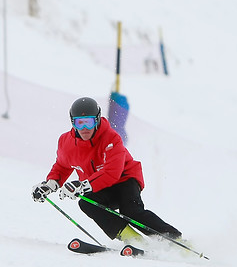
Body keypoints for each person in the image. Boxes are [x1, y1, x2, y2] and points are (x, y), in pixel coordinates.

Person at [31, 97, 182, 243]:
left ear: (96, 120)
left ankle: (175, 240)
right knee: (87, 203)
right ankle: (132, 239)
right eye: (79, 123)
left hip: (125, 179)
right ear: (72, 122)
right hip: (98, 184)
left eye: (89, 122)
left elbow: (112, 172)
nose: (84, 128)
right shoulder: (66, 142)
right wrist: (49, 185)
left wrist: (82, 186)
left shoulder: (111, 138)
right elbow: (62, 166)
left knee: (130, 211)